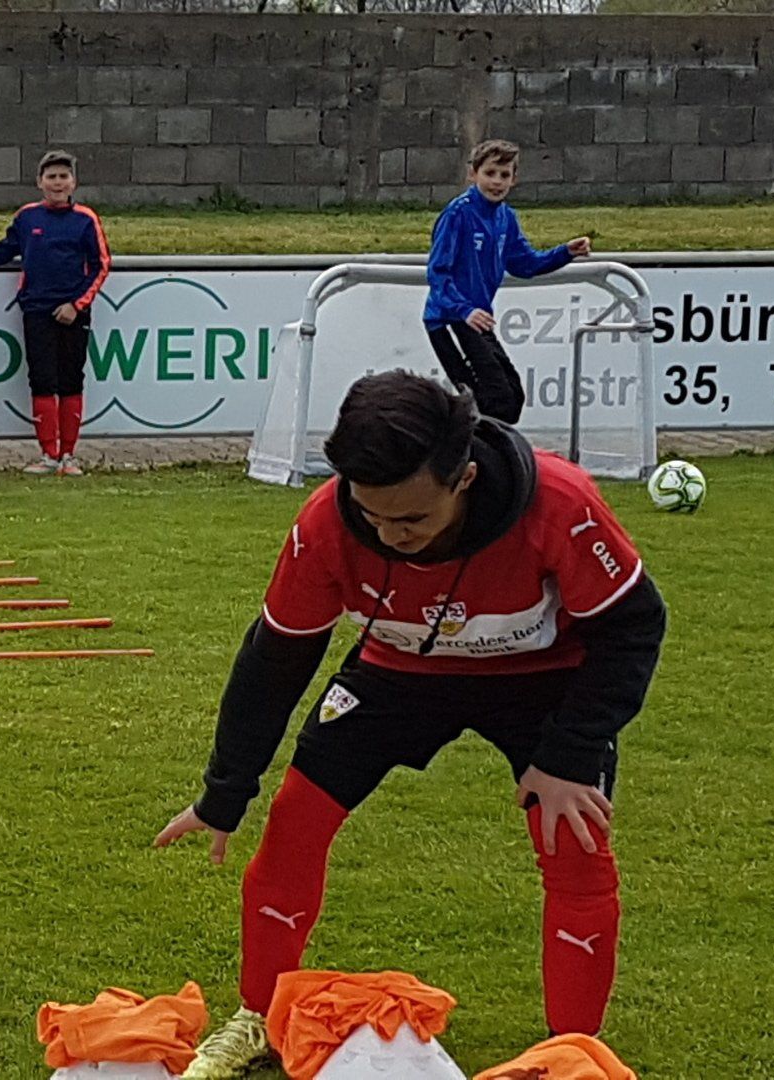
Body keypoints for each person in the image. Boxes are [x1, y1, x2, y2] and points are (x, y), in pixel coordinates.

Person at [155, 372, 666, 1078]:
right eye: (374, 518)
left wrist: (569, 755)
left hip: (544, 680)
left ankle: (572, 1053)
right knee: (295, 821)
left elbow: (634, 627)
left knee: (574, 841)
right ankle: (260, 1018)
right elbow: (276, 659)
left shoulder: (560, 503)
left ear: (465, 478)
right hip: (398, 670)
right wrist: (224, 791)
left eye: (413, 520)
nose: (391, 538)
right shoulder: (325, 524)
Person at [424, 139, 592, 425]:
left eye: (504, 175)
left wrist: (565, 253)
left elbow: (525, 263)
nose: (497, 182)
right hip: (449, 319)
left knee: (512, 396)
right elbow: (438, 273)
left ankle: (472, 444)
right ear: (473, 174)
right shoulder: (457, 214)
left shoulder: (506, 217)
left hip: (477, 319)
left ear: (514, 179)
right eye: (490, 173)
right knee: (492, 399)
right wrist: (464, 310)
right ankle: (462, 445)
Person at [0, 149, 110, 477]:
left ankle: (69, 456)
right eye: (51, 177)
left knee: (71, 381)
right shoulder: (27, 217)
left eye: (63, 176)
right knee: (41, 381)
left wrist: (77, 305)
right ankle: (48, 455)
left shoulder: (86, 219)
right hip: (36, 311)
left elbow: (101, 265)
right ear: (40, 182)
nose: (57, 183)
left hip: (73, 313)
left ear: (73, 182)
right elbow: (1, 252)